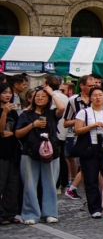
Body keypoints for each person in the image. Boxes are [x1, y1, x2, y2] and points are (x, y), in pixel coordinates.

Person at [15, 87, 61, 225]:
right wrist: (32, 125)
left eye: (43, 96)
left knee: (50, 183)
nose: (40, 98)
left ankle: (50, 212)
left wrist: (52, 92)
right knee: (29, 184)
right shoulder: (26, 114)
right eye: (37, 96)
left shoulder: (52, 113)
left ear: (48, 99)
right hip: (30, 151)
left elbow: (62, 108)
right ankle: (30, 213)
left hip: (50, 152)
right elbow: (18, 134)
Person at [73, 87, 103, 218]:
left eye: (100, 95)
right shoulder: (84, 113)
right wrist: (91, 126)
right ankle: (94, 208)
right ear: (90, 98)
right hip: (89, 147)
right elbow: (77, 130)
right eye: (95, 95)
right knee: (90, 179)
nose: (98, 98)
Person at [0, 83, 21, 224]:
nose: (8, 95)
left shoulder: (14, 111)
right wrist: (4, 113)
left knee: (12, 184)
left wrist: (12, 133)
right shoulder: (6, 111)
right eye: (4, 92)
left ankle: (10, 213)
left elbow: (17, 131)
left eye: (9, 93)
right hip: (1, 151)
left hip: (13, 151)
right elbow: (1, 131)